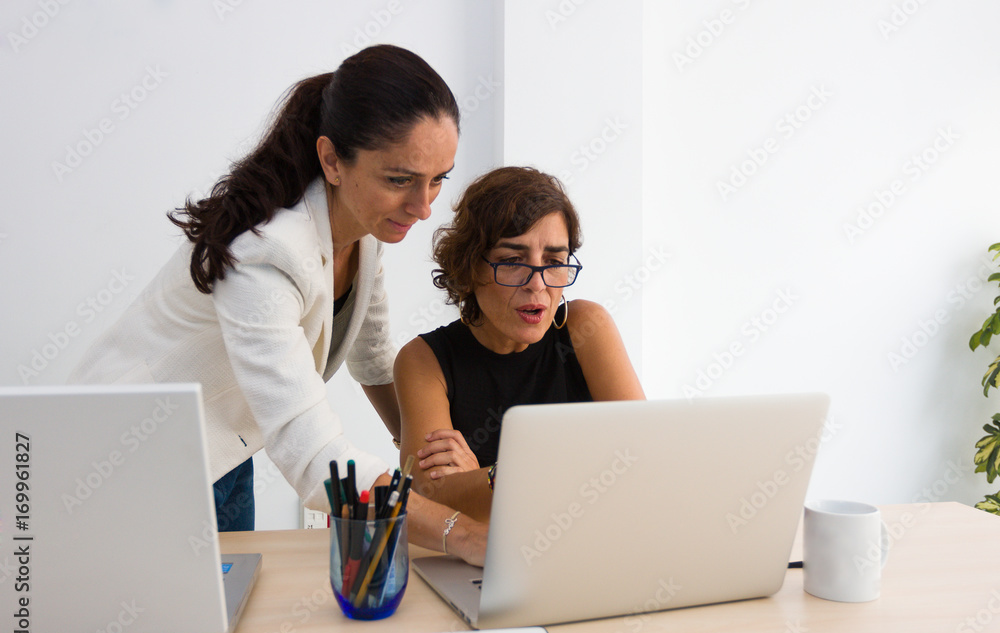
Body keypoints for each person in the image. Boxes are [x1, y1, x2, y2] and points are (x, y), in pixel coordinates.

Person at [68, 45, 486, 565]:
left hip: (224, 452)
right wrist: (459, 532)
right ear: (332, 160)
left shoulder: (363, 231)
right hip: (126, 465)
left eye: (439, 177)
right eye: (400, 180)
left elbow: (373, 359)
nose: (423, 207)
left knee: (226, 629)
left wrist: (430, 468)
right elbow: (313, 453)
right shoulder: (265, 252)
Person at [394, 166, 645, 522]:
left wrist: (488, 475)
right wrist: (585, 465)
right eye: (512, 260)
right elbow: (429, 500)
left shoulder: (587, 327)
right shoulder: (425, 360)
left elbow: (642, 461)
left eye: (554, 261)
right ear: (469, 266)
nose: (537, 284)